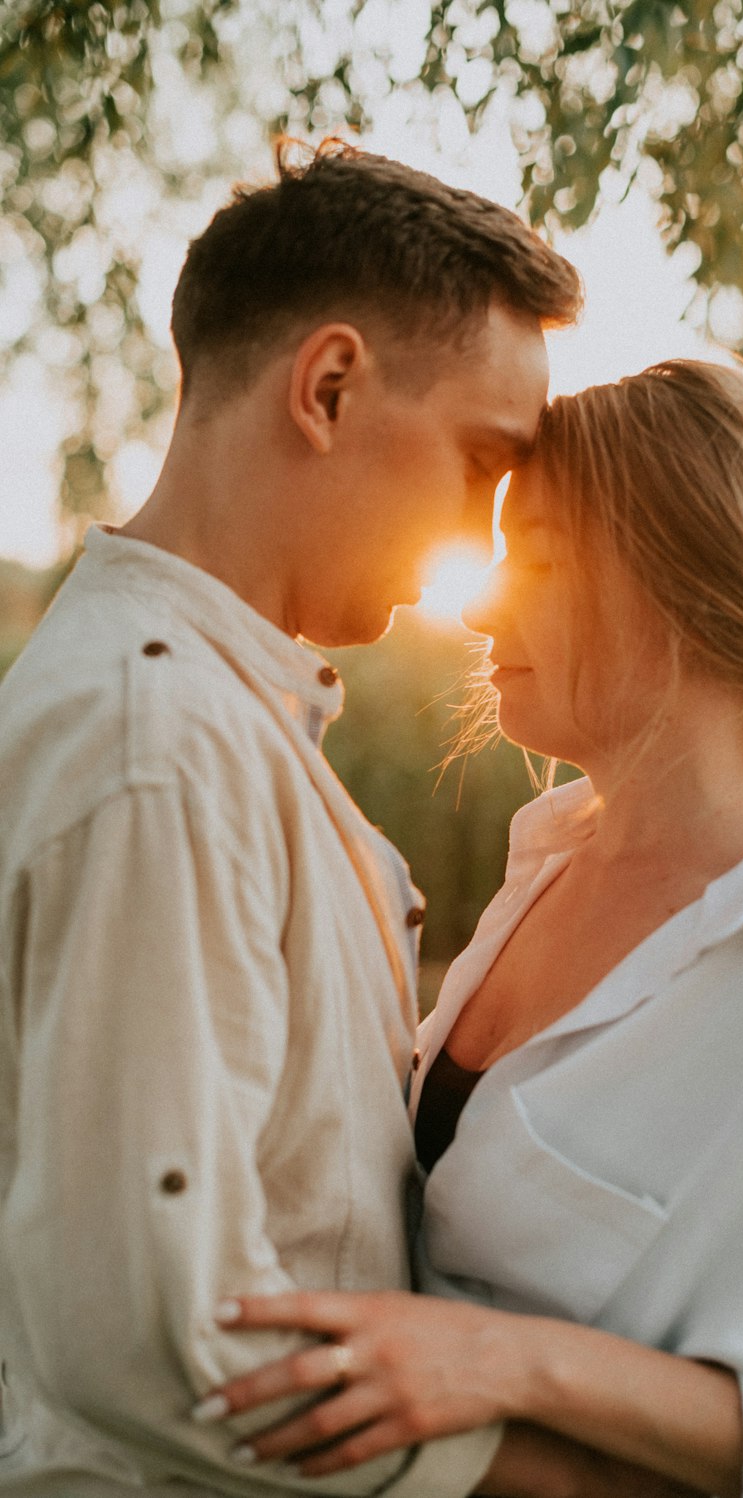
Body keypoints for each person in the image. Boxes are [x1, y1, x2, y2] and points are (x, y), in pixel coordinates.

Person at [190, 360, 743, 1496]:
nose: (478, 604)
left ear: (681, 585)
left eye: (538, 560)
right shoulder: (553, 856)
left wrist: (512, 1362)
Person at [0, 139, 668, 1498]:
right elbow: (152, 1335)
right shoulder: (165, 748)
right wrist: (575, 1478)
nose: (483, 534)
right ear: (330, 385)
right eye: (484, 458)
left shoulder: (204, 711)